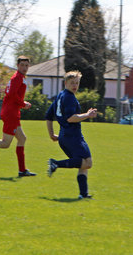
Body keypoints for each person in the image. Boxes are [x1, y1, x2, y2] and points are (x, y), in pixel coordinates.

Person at [45, 70, 97, 199]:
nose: (75, 86)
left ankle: (83, 194)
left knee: (83, 163)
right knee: (87, 163)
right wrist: (87, 115)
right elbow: (70, 118)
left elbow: (48, 115)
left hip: (66, 136)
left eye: (77, 83)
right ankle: (55, 164)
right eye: (72, 83)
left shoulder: (60, 96)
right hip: (72, 136)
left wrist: (52, 134)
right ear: (65, 83)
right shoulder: (68, 97)